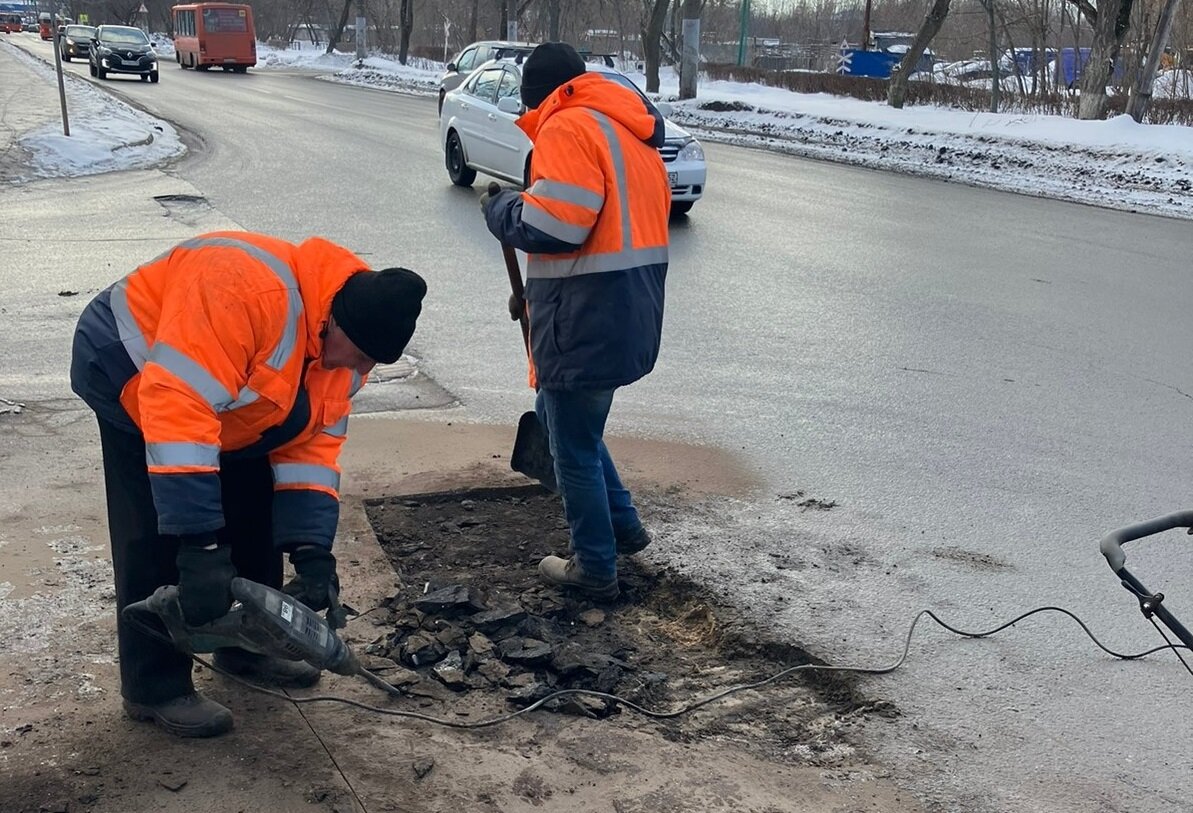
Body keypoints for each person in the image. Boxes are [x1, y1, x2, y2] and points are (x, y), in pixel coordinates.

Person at [70, 231, 426, 737]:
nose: (361, 370)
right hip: (132, 368)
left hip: (235, 397)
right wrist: (200, 543)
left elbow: (311, 448)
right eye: (361, 356)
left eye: (372, 363)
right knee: (157, 528)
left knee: (254, 511)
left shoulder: (345, 350)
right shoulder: (242, 293)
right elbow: (179, 413)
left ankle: (247, 648)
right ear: (332, 324)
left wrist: (311, 550)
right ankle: (155, 688)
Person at [481, 43, 671, 601]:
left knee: (574, 447)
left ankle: (594, 566)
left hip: (585, 317)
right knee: (569, 421)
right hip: (626, 311)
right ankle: (625, 529)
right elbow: (600, 229)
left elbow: (555, 228)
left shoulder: (566, 127)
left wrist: (504, 210)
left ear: (537, 96)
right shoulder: (626, 133)